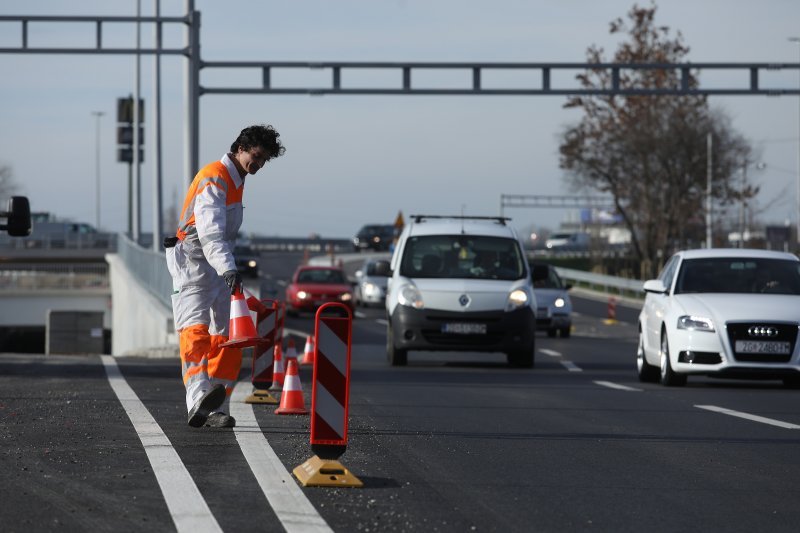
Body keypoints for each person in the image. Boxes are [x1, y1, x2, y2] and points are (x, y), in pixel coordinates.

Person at [165, 124, 285, 428]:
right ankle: (197, 398)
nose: (258, 165)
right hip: (192, 263)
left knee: (228, 337)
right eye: (256, 157)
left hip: (215, 265)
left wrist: (226, 268)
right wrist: (228, 268)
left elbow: (220, 239)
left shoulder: (236, 179)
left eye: (264, 161)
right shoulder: (215, 177)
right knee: (195, 332)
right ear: (240, 148)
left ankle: (215, 403)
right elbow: (210, 233)